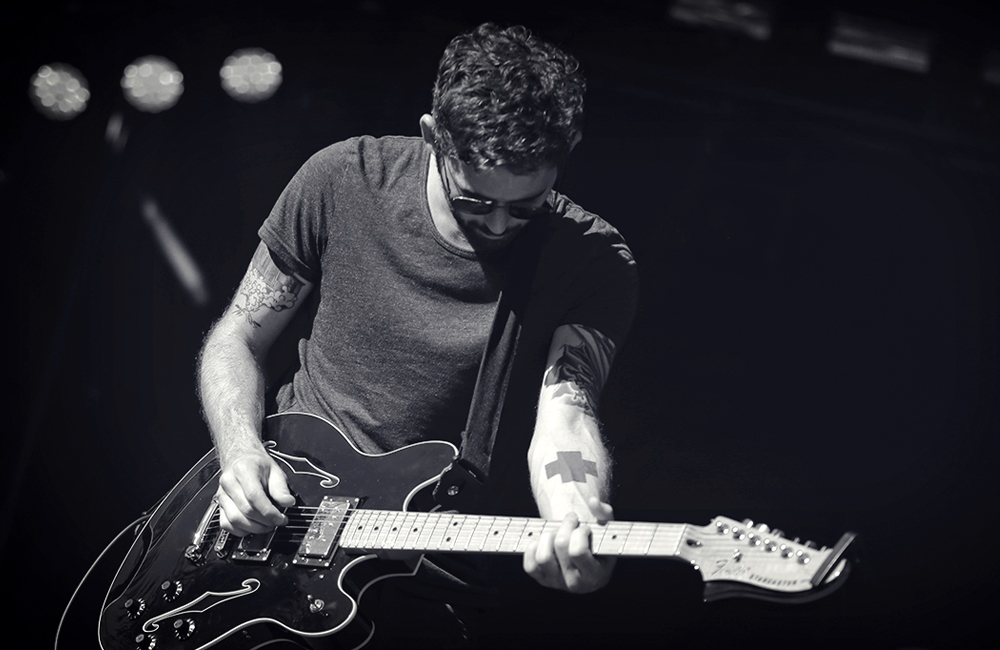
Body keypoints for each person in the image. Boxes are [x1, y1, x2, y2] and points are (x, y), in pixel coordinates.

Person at [197, 22, 638, 648]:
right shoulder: (342, 179)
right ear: (433, 136)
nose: (501, 223)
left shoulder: (592, 259)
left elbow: (565, 412)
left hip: (425, 563)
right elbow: (236, 338)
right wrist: (241, 454)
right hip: (279, 514)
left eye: (526, 205)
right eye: (477, 201)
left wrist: (574, 508)